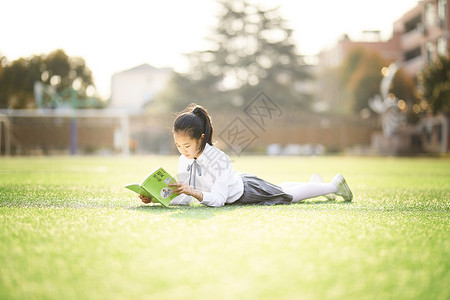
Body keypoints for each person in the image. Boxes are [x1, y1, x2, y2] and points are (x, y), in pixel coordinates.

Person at [139, 104, 353, 207]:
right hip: (240, 183)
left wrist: (194, 192)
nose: (182, 151)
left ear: (201, 138)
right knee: (282, 189)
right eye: (178, 146)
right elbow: (185, 198)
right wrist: (157, 198)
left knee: (290, 197)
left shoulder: (219, 160)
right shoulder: (183, 161)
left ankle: (335, 185)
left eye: (186, 145)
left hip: (246, 191)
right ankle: (314, 183)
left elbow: (220, 200)